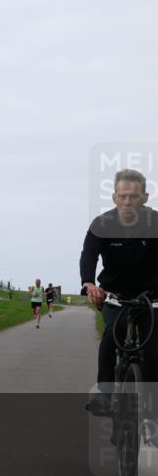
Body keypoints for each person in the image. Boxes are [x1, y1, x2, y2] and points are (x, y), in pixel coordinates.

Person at [81, 169, 158, 430]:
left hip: (152, 297)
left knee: (154, 349)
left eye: (134, 197)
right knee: (112, 336)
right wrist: (89, 283)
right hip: (115, 296)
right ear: (114, 197)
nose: (127, 202)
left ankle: (152, 415)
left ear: (145, 197)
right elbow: (89, 255)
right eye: (122, 196)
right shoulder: (102, 225)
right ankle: (105, 394)